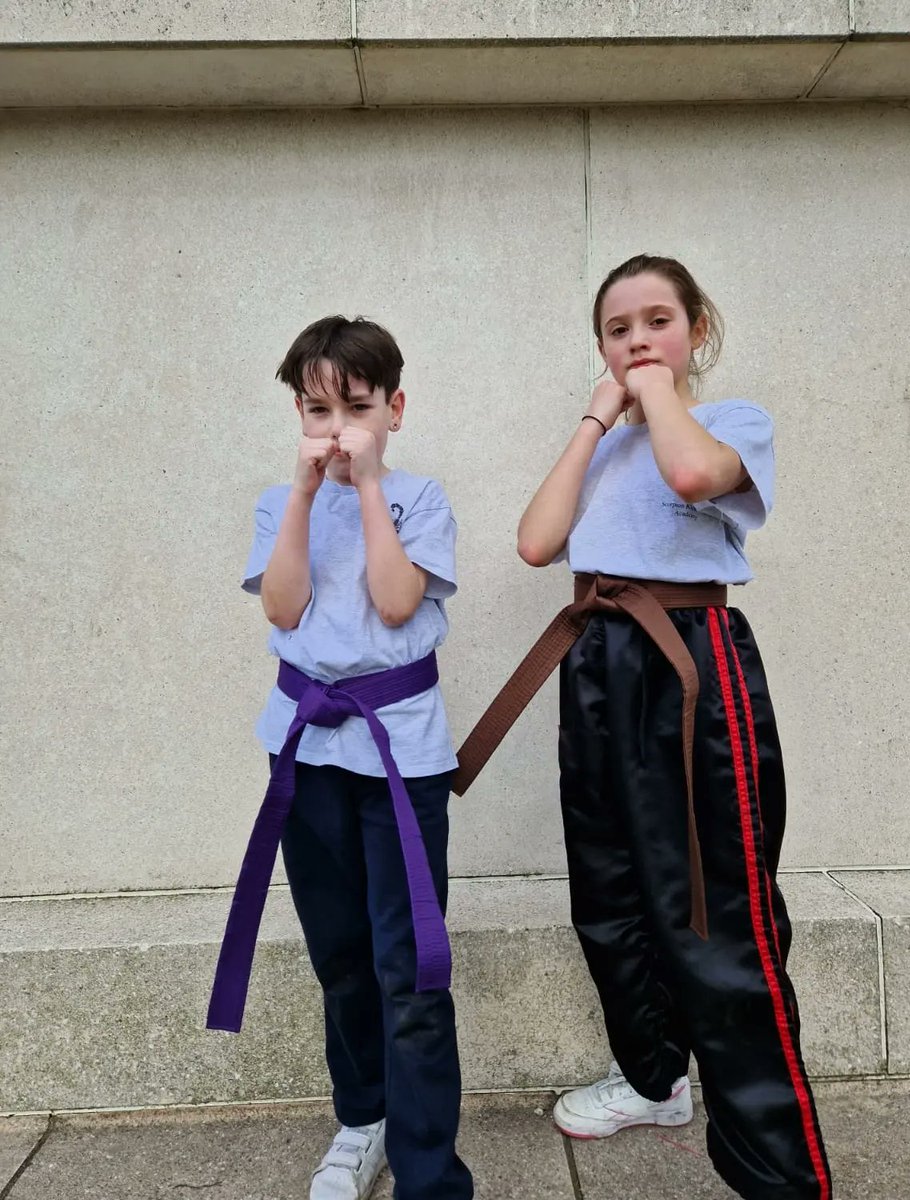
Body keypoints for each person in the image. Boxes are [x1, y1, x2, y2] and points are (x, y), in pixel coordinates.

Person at [454, 254, 831, 1200]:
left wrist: (658, 389)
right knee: (610, 890)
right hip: (595, 661)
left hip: (691, 664)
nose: (637, 341)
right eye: (618, 330)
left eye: (657, 321)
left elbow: (694, 473)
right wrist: (595, 418)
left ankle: (781, 1174)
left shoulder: (731, 423)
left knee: (718, 908)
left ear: (698, 329)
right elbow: (536, 542)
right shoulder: (608, 446)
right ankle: (656, 1079)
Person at [208, 316, 473, 1200]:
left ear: (394, 408)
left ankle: (429, 1169)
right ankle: (364, 1120)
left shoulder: (419, 499)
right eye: (318, 410)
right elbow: (283, 608)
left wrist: (365, 490)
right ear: (298, 414)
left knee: (412, 963)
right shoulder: (276, 503)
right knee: (341, 953)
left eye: (356, 408)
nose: (337, 430)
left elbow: (396, 603)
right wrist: (302, 491)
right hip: (306, 749)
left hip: (400, 757)